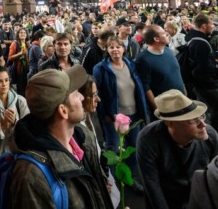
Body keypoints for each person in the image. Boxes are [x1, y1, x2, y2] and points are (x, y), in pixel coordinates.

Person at [9, 66, 113, 208]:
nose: (82, 97)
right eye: (76, 94)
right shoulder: (31, 175)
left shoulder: (82, 137)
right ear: (63, 111)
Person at [136, 89, 218, 209]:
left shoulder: (211, 136)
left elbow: (217, 179)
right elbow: (152, 185)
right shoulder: (148, 139)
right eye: (192, 120)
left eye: (201, 116)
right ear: (171, 123)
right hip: (167, 197)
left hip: (199, 197)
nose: (203, 125)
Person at [93, 36, 148, 190]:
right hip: (114, 117)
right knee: (113, 149)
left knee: (133, 147)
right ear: (106, 49)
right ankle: (111, 183)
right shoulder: (101, 68)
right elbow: (98, 94)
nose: (115, 50)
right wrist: (108, 115)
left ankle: (129, 178)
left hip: (134, 115)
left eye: (118, 47)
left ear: (124, 48)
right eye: (111, 47)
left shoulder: (131, 65)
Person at [79, 76, 120, 208]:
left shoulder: (87, 117)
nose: (98, 99)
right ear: (80, 97)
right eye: (94, 95)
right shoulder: (77, 131)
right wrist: (98, 182)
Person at [186, 14, 218, 139]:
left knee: (207, 111)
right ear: (204, 26)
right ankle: (217, 140)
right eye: (212, 24)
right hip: (206, 84)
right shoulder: (202, 43)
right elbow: (203, 68)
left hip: (197, 84)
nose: (213, 27)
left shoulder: (192, 38)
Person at [135, 25, 186, 120]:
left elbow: (176, 73)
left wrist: (184, 93)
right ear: (156, 39)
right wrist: (157, 109)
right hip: (165, 109)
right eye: (163, 33)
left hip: (180, 102)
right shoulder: (143, 60)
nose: (167, 34)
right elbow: (146, 87)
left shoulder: (168, 51)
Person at [7, 27, 30, 95]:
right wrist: (20, 54)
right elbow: (10, 58)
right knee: (20, 90)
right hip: (18, 70)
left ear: (26, 34)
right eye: (21, 33)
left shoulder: (27, 44)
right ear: (18, 34)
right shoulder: (14, 44)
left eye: (24, 33)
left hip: (27, 70)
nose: (22, 34)